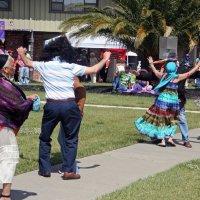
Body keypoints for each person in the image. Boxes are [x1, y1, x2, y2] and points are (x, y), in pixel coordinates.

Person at [17, 35, 111, 180]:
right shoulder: (71, 67)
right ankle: (69, 171)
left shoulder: (44, 65)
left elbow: (27, 62)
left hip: (52, 105)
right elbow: (93, 70)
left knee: (45, 138)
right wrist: (105, 59)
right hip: (69, 105)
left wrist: (21, 53)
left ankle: (45, 170)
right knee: (71, 139)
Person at [134, 56, 200, 147]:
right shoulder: (177, 77)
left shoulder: (163, 76)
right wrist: (197, 66)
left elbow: (155, 71)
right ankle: (169, 138)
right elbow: (189, 73)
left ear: (166, 68)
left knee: (161, 119)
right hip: (173, 101)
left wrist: (151, 63)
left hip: (162, 101)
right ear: (175, 68)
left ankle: (163, 140)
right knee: (173, 119)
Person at [0, 54, 37, 200]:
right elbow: (17, 106)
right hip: (3, 127)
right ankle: (5, 195)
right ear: (5, 69)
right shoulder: (4, 85)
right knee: (8, 157)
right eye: (12, 65)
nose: (14, 67)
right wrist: (29, 102)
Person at [57, 77, 86, 175]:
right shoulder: (72, 83)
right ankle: (67, 166)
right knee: (62, 139)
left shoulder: (76, 84)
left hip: (72, 116)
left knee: (67, 142)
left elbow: (81, 91)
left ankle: (71, 168)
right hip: (70, 114)